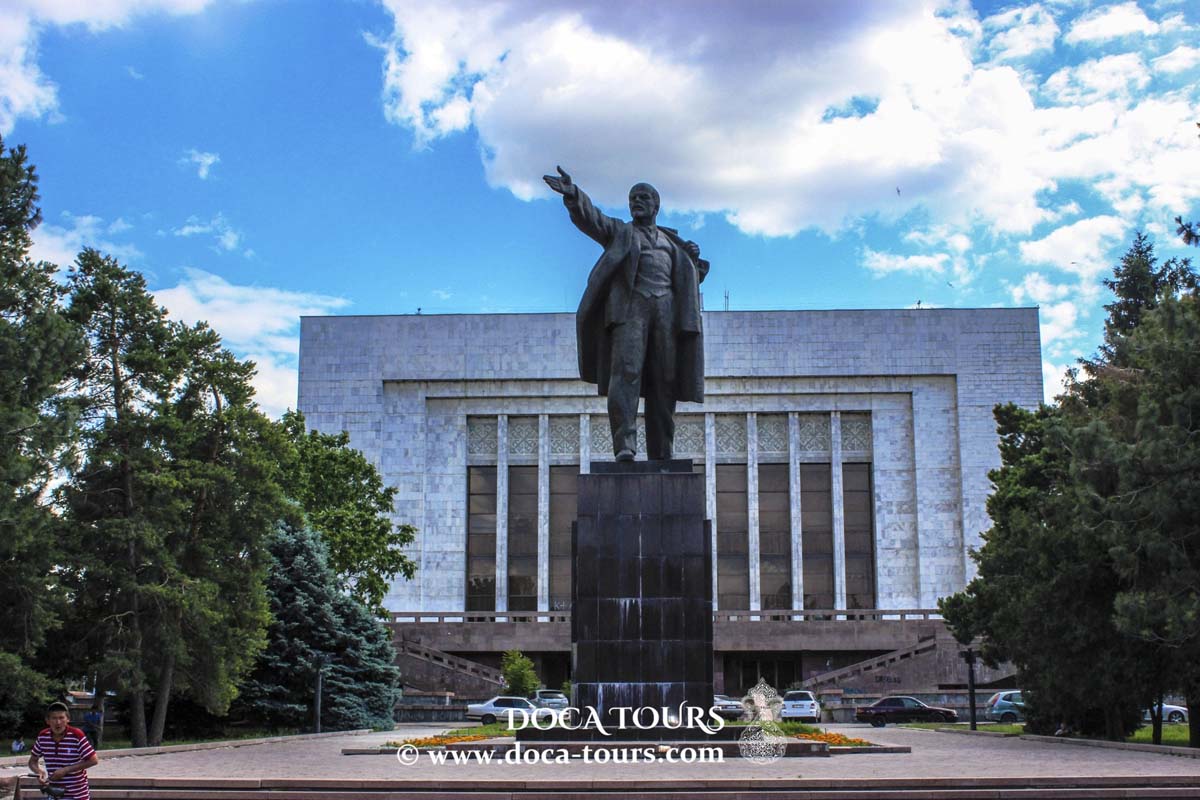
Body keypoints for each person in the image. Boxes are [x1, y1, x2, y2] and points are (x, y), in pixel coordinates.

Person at [543, 166, 709, 460]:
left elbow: (689, 280)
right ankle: (625, 446)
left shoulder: (673, 242)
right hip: (631, 310)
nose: (636, 202)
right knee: (626, 374)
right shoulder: (621, 231)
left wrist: (692, 259)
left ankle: (662, 452)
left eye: (643, 197)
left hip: (666, 312)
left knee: (664, 379)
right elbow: (593, 220)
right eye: (633, 198)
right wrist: (573, 196)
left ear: (656, 206)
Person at [28, 702, 99, 800]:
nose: (58, 722)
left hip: (77, 795)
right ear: (48, 721)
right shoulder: (43, 736)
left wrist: (66, 770)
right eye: (54, 718)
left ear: (67, 719)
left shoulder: (76, 735)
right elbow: (32, 761)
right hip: (54, 793)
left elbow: (93, 760)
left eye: (61, 718)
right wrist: (39, 772)